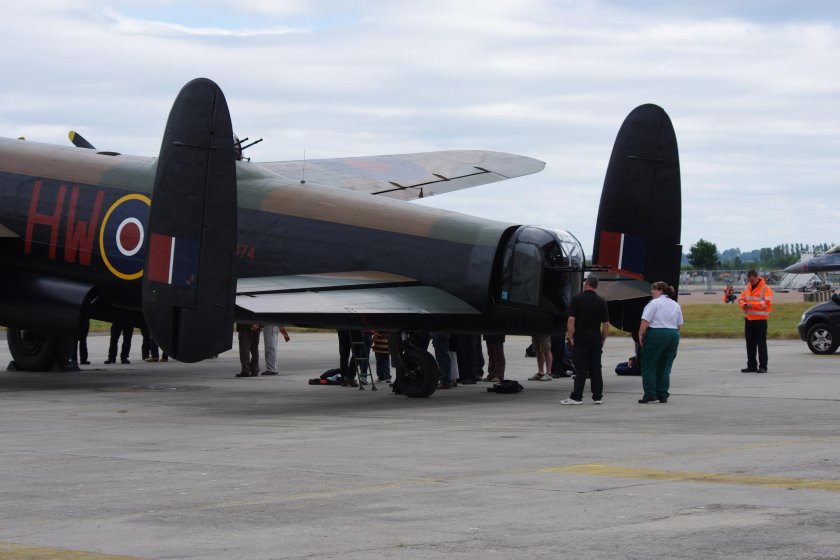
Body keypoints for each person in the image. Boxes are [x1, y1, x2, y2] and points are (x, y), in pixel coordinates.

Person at [561, 275, 609, 405]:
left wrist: (570, 336)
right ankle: (597, 396)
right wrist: (603, 339)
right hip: (595, 339)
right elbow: (605, 324)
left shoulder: (577, 299)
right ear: (596, 285)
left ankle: (577, 397)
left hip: (581, 338)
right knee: (596, 367)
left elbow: (571, 320)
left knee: (581, 368)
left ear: (586, 283)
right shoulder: (601, 301)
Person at [637, 281, 683, 403]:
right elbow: (679, 324)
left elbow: (645, 321)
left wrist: (640, 334)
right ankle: (663, 394)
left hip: (657, 334)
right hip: (673, 334)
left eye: (655, 289)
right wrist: (675, 335)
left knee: (649, 365)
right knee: (665, 366)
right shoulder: (675, 304)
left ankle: (650, 393)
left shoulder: (654, 303)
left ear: (661, 291)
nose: (652, 291)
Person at [738, 269, 773, 373]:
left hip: (761, 320)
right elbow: (741, 300)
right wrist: (744, 305)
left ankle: (763, 366)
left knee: (761, 344)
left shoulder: (765, 288)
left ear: (757, 277)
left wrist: (752, 305)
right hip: (749, 320)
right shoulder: (747, 288)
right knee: (750, 344)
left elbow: (766, 303)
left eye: (752, 280)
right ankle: (751, 365)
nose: (751, 282)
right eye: (749, 280)